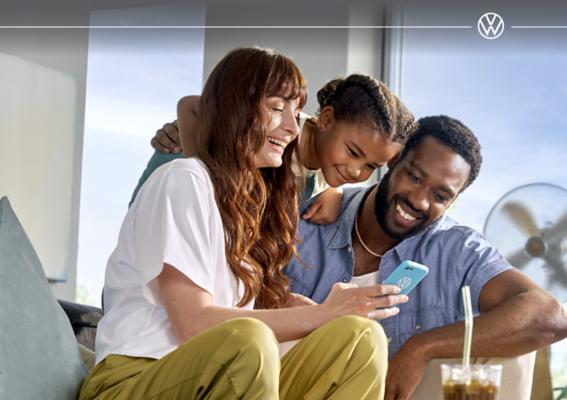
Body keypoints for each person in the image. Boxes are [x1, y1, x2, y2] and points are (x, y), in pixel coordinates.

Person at [83, 47, 408, 400]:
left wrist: (292, 306)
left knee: (360, 339)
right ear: (237, 105)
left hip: (221, 368)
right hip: (136, 376)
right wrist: (323, 315)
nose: (291, 127)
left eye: (296, 112)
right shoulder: (184, 179)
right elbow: (195, 324)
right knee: (249, 341)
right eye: (277, 108)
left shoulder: (259, 203)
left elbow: (231, 308)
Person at [282, 115, 567, 400]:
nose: (419, 200)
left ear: (453, 201)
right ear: (393, 160)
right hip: (298, 385)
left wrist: (421, 348)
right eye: (414, 177)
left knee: (514, 350)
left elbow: (551, 316)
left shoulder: (457, 249)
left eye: (440, 195)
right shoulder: (309, 214)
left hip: (396, 392)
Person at [137, 73, 418, 225]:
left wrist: (336, 190)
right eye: (354, 152)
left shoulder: (320, 179)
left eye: (371, 166)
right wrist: (204, 173)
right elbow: (191, 104)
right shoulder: (274, 126)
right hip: (158, 221)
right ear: (327, 119)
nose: (357, 171)